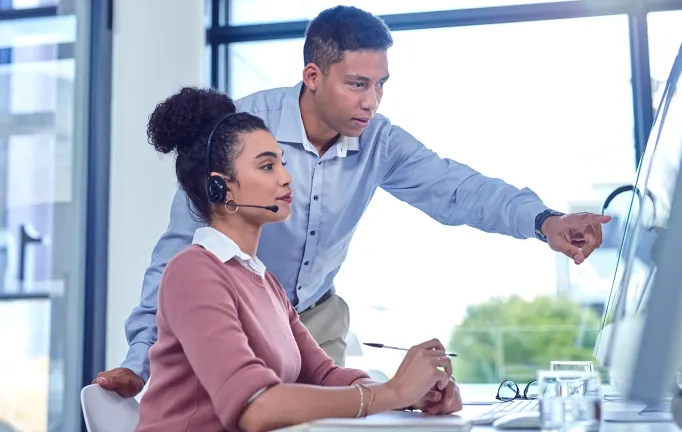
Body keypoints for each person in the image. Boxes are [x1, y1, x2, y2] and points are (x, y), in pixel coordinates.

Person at [95, 5, 610, 397]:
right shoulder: (242, 133)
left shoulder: (380, 141)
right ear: (313, 76)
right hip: (231, 315)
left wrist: (544, 221)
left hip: (311, 322)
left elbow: (459, 189)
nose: (372, 100)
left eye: (380, 85)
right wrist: (140, 362)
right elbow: (178, 256)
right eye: (357, 84)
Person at [133, 87, 462, 432]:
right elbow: (255, 406)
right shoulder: (193, 273)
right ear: (221, 189)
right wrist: (392, 393)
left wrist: (412, 395)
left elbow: (325, 375)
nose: (286, 177)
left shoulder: (262, 280)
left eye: (282, 163)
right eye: (267, 166)